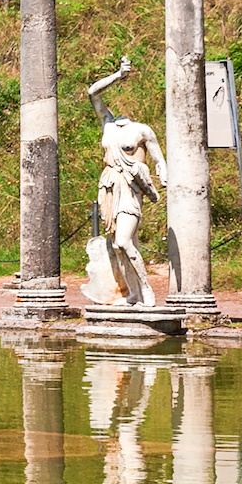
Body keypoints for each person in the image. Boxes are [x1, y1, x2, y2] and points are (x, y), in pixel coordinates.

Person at [85, 59, 167, 307]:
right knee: (118, 246)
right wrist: (118, 75)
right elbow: (92, 92)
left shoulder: (142, 130)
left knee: (123, 240)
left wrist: (163, 176)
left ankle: (147, 289)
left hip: (130, 188)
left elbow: (159, 161)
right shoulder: (108, 124)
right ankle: (133, 294)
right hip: (110, 186)